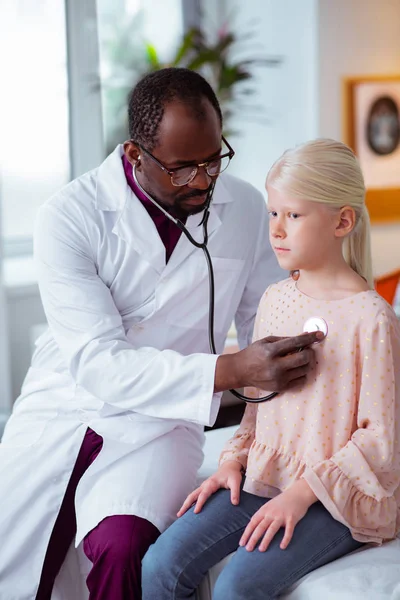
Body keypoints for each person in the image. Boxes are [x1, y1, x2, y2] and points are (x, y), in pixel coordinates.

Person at [0, 68, 320, 600]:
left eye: (213, 159)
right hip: (64, 408)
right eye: (181, 168)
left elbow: (272, 315)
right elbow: (99, 362)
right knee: (18, 563)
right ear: (134, 154)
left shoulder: (241, 208)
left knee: (122, 546)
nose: (201, 180)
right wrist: (232, 370)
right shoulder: (70, 217)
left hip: (161, 423)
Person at [142, 139, 400, 600]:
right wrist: (232, 460)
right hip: (268, 473)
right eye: (273, 213)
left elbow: (379, 443)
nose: (277, 230)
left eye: (294, 216)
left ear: (342, 221)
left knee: (237, 587)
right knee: (161, 564)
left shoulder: (373, 319)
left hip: (334, 497)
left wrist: (299, 495)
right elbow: (258, 407)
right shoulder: (275, 300)